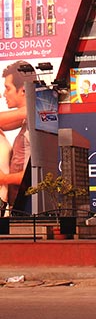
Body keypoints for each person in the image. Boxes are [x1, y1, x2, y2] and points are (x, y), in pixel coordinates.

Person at [0, 61, 30, 212]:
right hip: (14, 203)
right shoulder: (27, 118)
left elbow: (36, 174)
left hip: (25, 204)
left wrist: (4, 179)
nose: (4, 94)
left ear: (23, 90)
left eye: (7, 88)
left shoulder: (35, 124)